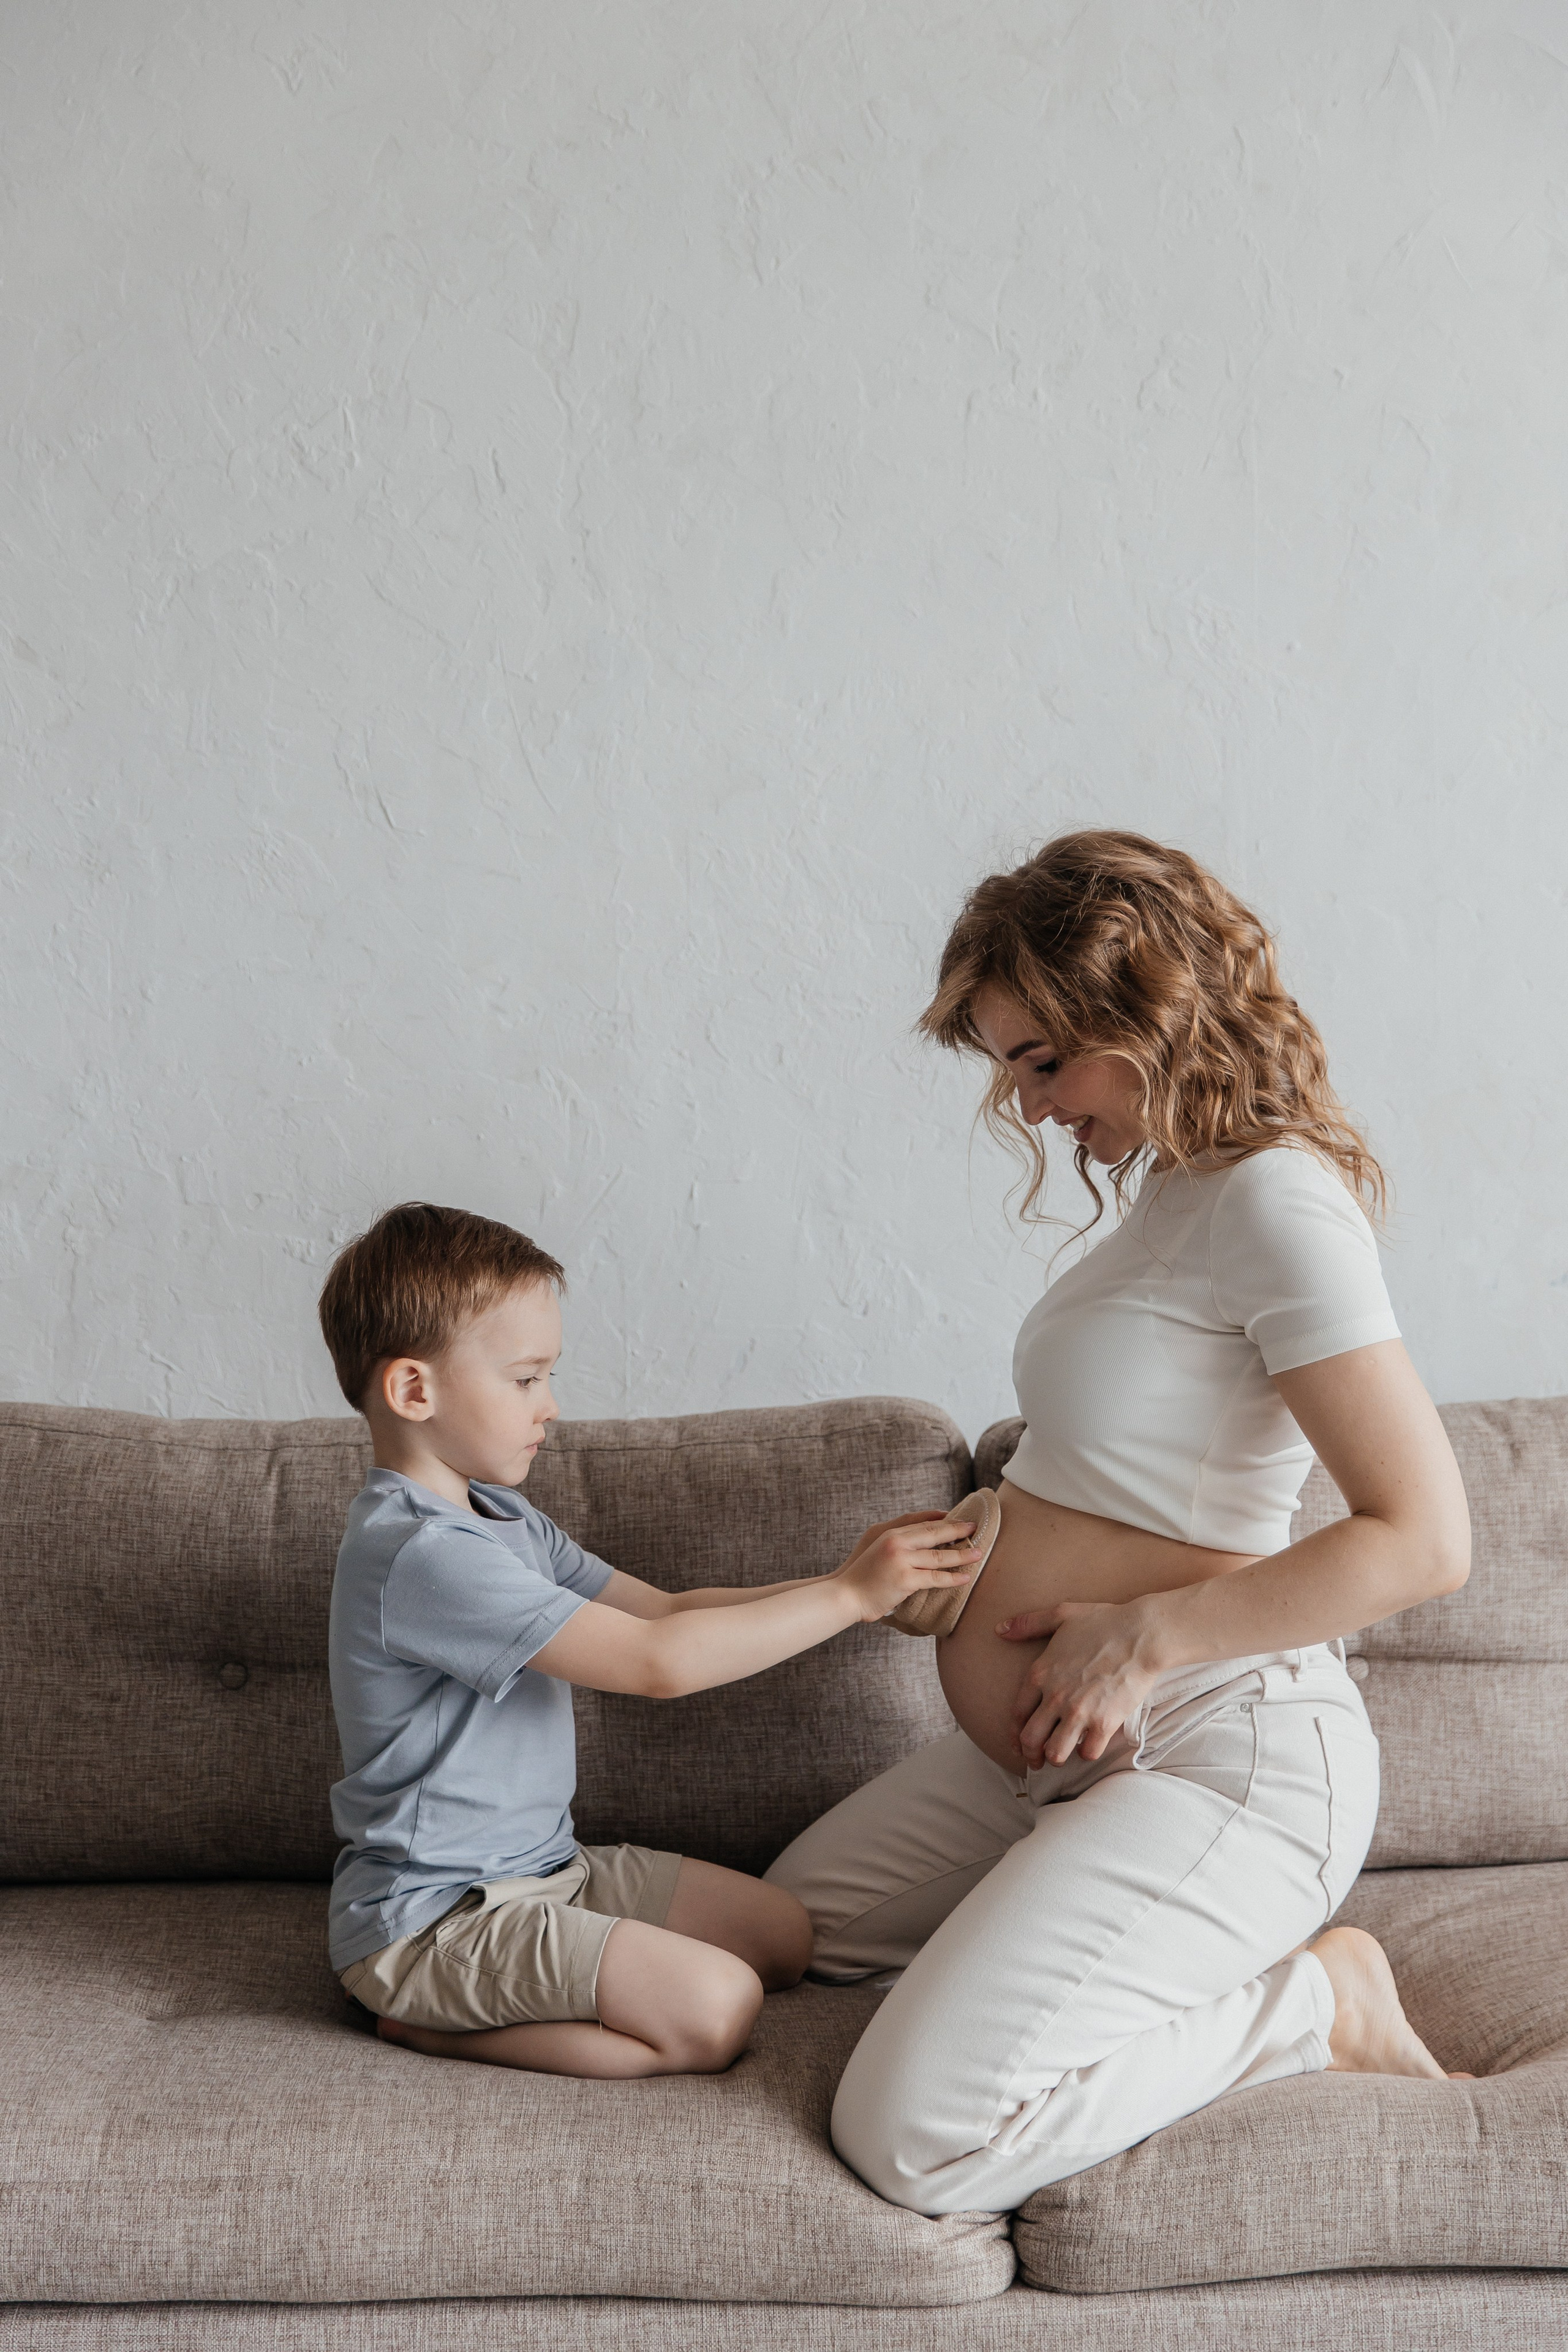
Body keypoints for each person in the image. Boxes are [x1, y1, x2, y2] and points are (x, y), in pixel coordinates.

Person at [765, 829, 1472, 2214]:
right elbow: (1132, 1467)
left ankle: (1304, 2010)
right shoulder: (1176, 1195)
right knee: (787, 1934)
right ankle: (1090, 1927)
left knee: (913, 2133)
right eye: (1006, 1069)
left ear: (1141, 1011)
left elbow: (1421, 1537)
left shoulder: (1275, 1199)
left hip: (1214, 1756)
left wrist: (1145, 1638)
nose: (1028, 1109)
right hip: (1045, 1762)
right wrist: (971, 1547)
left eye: (1040, 1062)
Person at [318, 1201, 977, 2082]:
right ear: (414, 1391)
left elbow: (665, 1613)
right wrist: (849, 1599)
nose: (550, 1406)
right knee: (717, 2010)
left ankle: (491, 1988)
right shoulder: (422, 1554)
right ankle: (423, 2023)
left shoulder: (500, 1517)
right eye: (525, 1378)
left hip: (548, 1871)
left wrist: (846, 1579)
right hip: (440, 1919)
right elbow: (656, 1666)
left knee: (782, 1937)